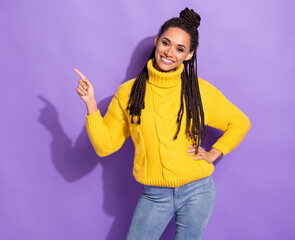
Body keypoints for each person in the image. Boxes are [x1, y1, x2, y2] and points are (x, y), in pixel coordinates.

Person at [74, 8, 251, 240]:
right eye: (166, 43)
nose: (170, 53)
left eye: (180, 49)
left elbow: (240, 122)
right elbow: (104, 146)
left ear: (189, 54)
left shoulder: (199, 90)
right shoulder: (129, 92)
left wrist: (214, 153)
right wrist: (91, 105)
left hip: (198, 190)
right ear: (157, 42)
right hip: (154, 195)